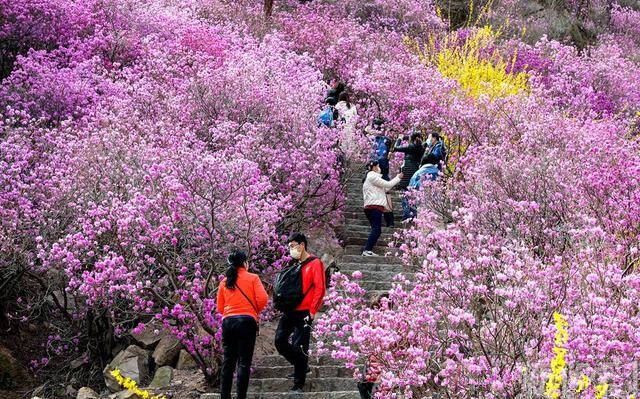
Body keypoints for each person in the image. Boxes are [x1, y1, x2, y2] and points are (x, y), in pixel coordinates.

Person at [275, 232, 326, 393]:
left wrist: (313, 311)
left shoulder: (315, 263)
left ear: (302, 245)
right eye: (289, 247)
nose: (290, 249)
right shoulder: (294, 264)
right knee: (280, 341)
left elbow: (320, 288)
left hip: (305, 311)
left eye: (292, 246)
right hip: (290, 310)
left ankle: (298, 384)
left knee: (300, 346)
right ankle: (301, 366)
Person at [217, 250, 269, 399]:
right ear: (244, 263)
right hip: (247, 322)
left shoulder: (224, 281)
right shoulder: (253, 278)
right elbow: (263, 299)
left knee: (228, 362)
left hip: (228, 322)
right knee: (244, 363)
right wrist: (253, 310)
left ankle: (224, 396)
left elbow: (220, 307)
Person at [362, 161, 402, 256]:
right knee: (376, 229)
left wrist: (395, 181)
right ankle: (367, 250)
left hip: (372, 206)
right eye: (378, 166)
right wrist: (398, 178)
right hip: (374, 207)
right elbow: (387, 184)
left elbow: (385, 189)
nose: (380, 168)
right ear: (374, 167)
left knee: (376, 229)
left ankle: (368, 250)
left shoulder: (371, 178)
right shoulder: (372, 176)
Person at [401, 153, 439, 222]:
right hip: (437, 206)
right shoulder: (439, 173)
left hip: (421, 205)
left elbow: (410, 190)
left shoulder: (418, 173)